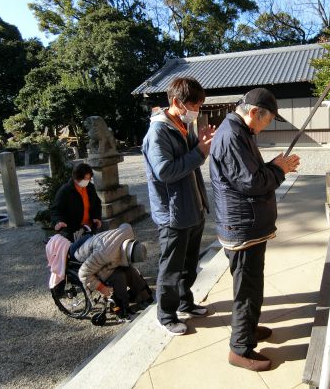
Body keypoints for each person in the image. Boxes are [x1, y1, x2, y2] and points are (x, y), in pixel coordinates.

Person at [209, 87, 300, 371]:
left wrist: (275, 167)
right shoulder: (233, 135)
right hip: (242, 227)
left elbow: (251, 177)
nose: (266, 126)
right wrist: (279, 169)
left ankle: (247, 329)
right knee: (247, 289)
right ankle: (240, 349)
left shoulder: (240, 131)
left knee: (251, 284)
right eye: (267, 120)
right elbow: (252, 182)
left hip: (247, 225)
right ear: (253, 113)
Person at [143, 77, 216, 336]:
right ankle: (166, 315)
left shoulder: (183, 126)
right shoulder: (159, 131)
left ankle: (186, 302)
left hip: (192, 206)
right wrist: (200, 152)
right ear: (176, 102)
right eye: (194, 105)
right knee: (171, 266)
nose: (196, 110)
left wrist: (199, 146)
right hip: (173, 213)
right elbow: (165, 171)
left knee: (189, 263)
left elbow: (190, 162)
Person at [71, 223, 150, 319]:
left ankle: (144, 297)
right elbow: (83, 273)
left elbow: (125, 225)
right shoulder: (105, 254)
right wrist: (101, 287)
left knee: (130, 270)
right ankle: (120, 310)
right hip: (83, 255)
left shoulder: (128, 231)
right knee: (118, 277)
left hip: (101, 248)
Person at [51, 163, 102, 241]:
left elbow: (97, 204)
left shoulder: (90, 187)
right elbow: (56, 209)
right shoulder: (65, 191)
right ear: (76, 178)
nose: (86, 181)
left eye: (88, 179)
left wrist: (97, 217)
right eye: (85, 179)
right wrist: (59, 221)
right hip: (73, 230)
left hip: (90, 227)